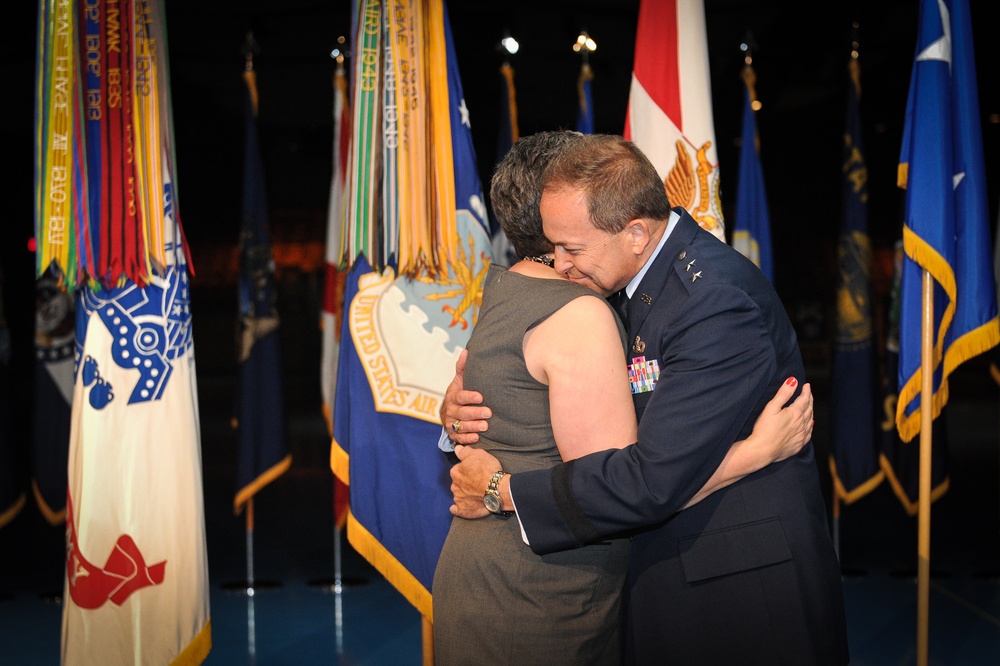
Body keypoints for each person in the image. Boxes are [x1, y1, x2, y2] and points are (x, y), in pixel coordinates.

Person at [444, 133, 848, 665]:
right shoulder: (628, 278)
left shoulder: (711, 303)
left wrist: (502, 490)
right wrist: (455, 408)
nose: (559, 266)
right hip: (667, 574)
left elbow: (652, 480)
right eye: (552, 247)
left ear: (635, 232)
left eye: (571, 248)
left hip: (734, 592)